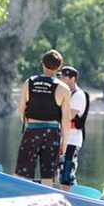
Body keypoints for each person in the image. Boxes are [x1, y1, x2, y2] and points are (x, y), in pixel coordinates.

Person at [15, 49, 71, 186]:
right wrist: (64, 142)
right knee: (48, 172)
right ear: (59, 67)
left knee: (22, 171)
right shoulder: (63, 88)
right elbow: (66, 120)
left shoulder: (29, 82)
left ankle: (18, 195)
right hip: (52, 132)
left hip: (32, 129)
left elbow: (21, 108)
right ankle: (45, 199)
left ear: (42, 64)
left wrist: (29, 124)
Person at [55, 66, 89, 191]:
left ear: (72, 79)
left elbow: (68, 117)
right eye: (60, 77)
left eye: (64, 77)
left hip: (72, 141)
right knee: (59, 171)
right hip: (63, 139)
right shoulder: (65, 94)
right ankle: (70, 194)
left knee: (67, 173)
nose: (61, 79)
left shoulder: (78, 95)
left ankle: (70, 197)